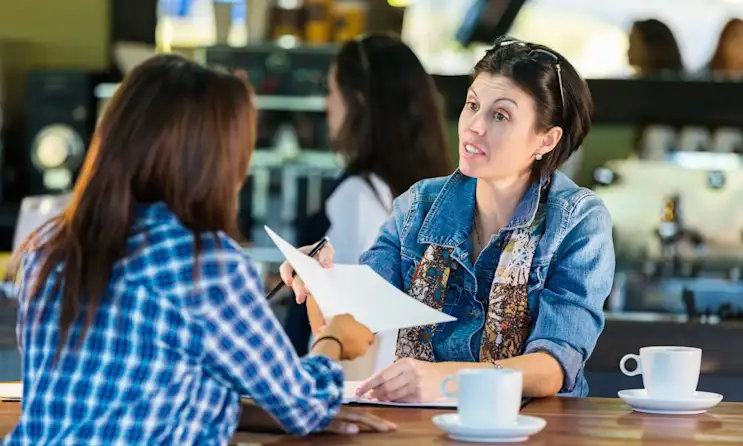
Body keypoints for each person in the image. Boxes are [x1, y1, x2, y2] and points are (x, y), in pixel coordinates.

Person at [3, 54, 396, 446]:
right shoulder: (202, 263)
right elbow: (304, 403)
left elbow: (127, 398)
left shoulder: (51, 248)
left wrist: (253, 413)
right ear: (213, 163)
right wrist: (335, 338)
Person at [281, 36, 616, 402]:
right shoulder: (417, 205)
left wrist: (446, 379)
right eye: (472, 105)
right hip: (426, 427)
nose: (474, 125)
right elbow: (359, 321)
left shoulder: (578, 220)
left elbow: (553, 365)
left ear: (546, 140)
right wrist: (320, 282)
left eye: (500, 115)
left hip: (536, 429)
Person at [285, 33, 452, 378]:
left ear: (358, 100)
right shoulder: (439, 196)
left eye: (332, 91)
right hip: (416, 386)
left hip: (358, 391)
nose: (327, 105)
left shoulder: (359, 195)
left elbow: (348, 322)